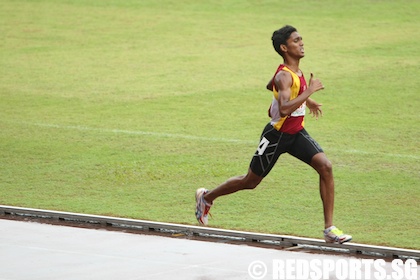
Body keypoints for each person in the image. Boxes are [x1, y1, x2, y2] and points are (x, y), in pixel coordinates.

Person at [195, 25, 352, 244]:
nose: (302, 43)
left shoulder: (293, 73)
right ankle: (206, 197)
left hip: (296, 134)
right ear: (284, 47)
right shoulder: (284, 76)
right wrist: (309, 91)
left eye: (301, 39)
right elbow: (285, 107)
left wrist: (308, 100)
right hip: (276, 136)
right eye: (296, 40)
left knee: (325, 166)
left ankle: (329, 229)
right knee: (250, 181)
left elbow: (272, 86)